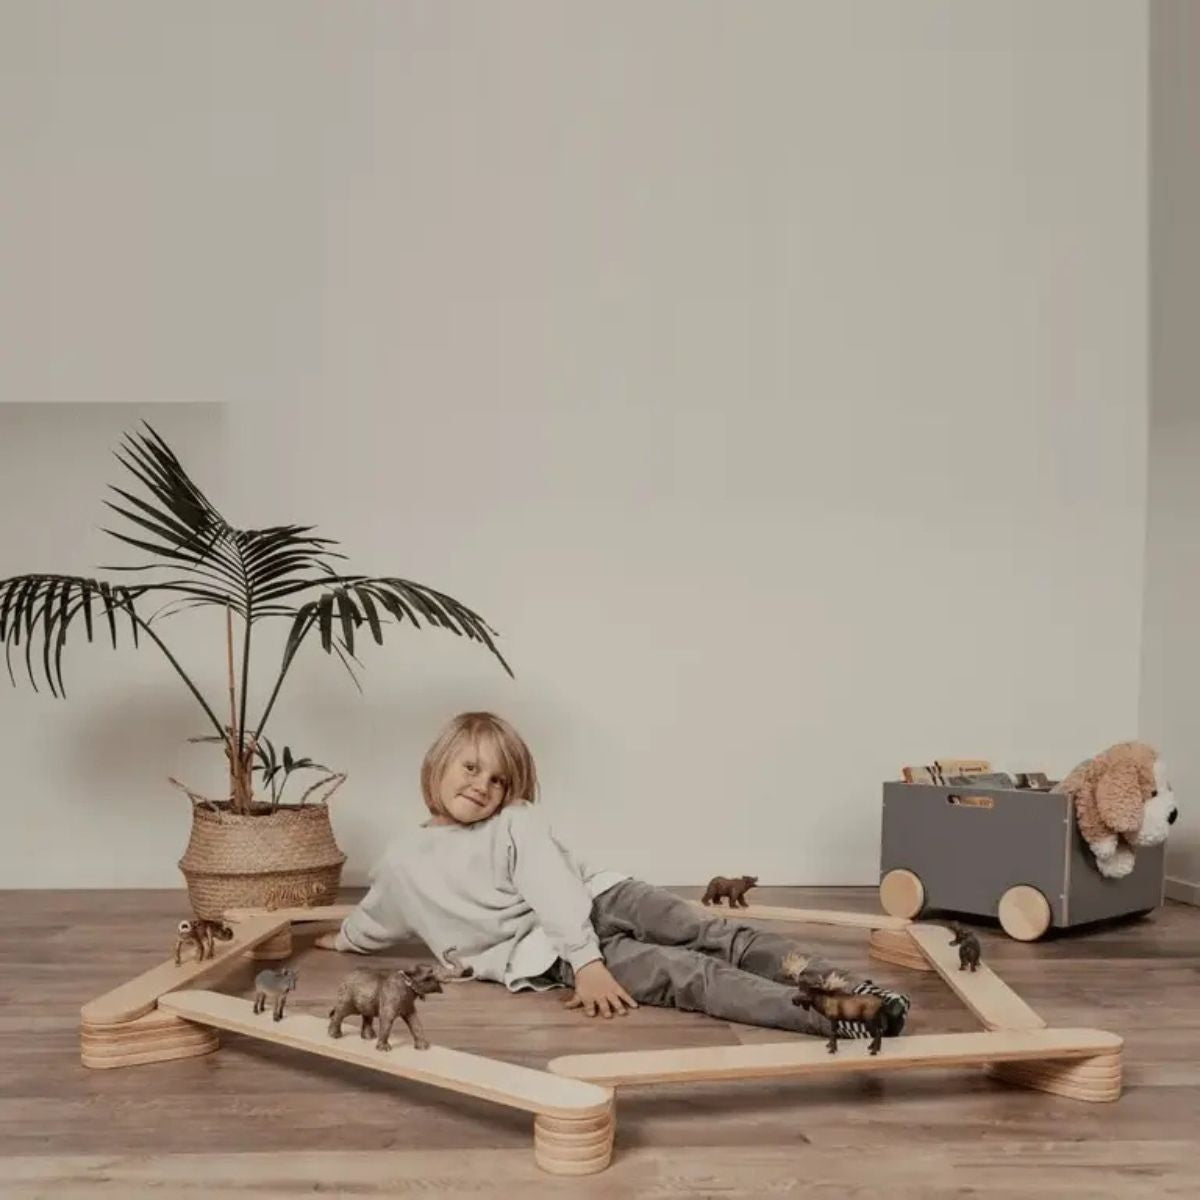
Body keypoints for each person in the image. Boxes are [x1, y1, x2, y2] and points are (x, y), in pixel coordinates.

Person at [316, 711, 909, 1040]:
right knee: (692, 976)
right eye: (470, 768)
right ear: (438, 765)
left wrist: (588, 960)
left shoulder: (515, 820)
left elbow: (550, 884)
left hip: (601, 900)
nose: (483, 785)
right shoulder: (401, 860)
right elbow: (376, 918)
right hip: (547, 955)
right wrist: (341, 940)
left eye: (498, 779)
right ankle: (831, 1015)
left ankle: (852, 986)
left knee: (717, 935)